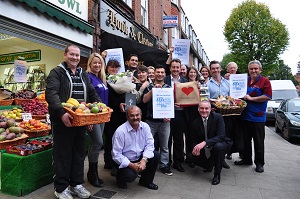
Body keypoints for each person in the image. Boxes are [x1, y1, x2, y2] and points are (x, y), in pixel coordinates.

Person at [46, 44, 101, 199]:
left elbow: (91, 91)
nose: (75, 58)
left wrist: (98, 105)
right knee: (63, 154)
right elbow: (51, 94)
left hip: (80, 120)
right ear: (65, 55)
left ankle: (76, 184)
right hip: (63, 121)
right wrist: (62, 112)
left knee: (78, 153)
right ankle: (61, 188)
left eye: (77, 55)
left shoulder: (82, 73)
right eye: (72, 54)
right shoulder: (56, 73)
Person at [234, 60, 272, 173]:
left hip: (257, 117)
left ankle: (259, 163)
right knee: (246, 140)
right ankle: (247, 159)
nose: (253, 70)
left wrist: (252, 99)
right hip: (244, 116)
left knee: (258, 141)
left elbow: (268, 96)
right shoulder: (245, 81)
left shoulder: (264, 81)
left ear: (260, 69)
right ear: (248, 70)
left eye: (256, 68)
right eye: (251, 68)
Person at [112, 106, 160, 190]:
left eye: (137, 115)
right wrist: (132, 165)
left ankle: (146, 181)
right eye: (132, 115)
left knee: (155, 155)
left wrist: (143, 160)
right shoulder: (120, 131)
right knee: (130, 176)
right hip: (125, 159)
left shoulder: (145, 126)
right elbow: (116, 155)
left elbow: (150, 145)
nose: (135, 118)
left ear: (141, 115)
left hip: (139, 157)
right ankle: (119, 177)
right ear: (127, 117)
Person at [188, 101, 232, 185]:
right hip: (206, 148)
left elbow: (221, 136)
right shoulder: (195, 122)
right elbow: (193, 140)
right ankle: (210, 163)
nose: (204, 110)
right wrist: (195, 148)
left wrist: (205, 143)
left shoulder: (218, 117)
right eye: (202, 108)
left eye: (206, 108)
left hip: (220, 143)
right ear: (198, 109)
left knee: (218, 147)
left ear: (210, 109)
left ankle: (217, 174)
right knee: (190, 156)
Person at [143, 65, 172, 176]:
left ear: (165, 74)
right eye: (158, 72)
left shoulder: (169, 88)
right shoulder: (149, 86)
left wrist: (169, 115)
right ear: (154, 74)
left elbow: (171, 104)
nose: (160, 74)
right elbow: (144, 100)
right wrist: (153, 90)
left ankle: (164, 165)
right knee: (148, 144)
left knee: (164, 145)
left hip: (164, 121)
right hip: (150, 121)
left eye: (162, 72)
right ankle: (147, 164)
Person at [86, 52, 108, 187]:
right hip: (93, 117)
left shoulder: (100, 78)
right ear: (90, 64)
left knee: (97, 144)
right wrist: (88, 119)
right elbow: (86, 99)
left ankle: (93, 172)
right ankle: (92, 173)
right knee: (97, 143)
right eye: (95, 62)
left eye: (99, 63)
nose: (97, 65)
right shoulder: (88, 77)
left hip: (103, 116)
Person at [164, 58, 188, 172]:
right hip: (167, 113)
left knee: (178, 139)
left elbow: (189, 97)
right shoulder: (164, 80)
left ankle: (178, 162)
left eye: (177, 67)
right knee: (167, 139)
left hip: (180, 113)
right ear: (170, 68)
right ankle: (166, 162)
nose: (175, 69)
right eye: (173, 67)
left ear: (180, 68)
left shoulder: (185, 81)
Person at [103, 59, 127, 172]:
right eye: (112, 67)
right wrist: (118, 103)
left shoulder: (121, 79)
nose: (114, 69)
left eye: (116, 67)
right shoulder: (105, 80)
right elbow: (108, 98)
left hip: (121, 114)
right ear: (107, 68)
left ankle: (116, 161)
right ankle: (109, 162)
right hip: (111, 114)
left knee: (119, 139)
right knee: (110, 139)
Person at [206, 60, 231, 169]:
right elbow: (205, 99)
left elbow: (231, 98)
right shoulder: (207, 84)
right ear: (210, 70)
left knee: (226, 137)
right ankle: (212, 160)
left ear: (220, 69)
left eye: (217, 68)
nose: (215, 70)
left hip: (227, 114)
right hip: (214, 114)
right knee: (214, 137)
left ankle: (222, 159)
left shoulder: (227, 83)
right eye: (213, 68)